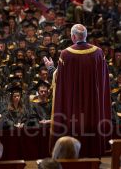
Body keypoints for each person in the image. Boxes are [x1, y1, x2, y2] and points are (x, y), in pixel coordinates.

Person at [44, 24, 111, 157]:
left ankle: (72, 155)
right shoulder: (98, 53)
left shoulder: (66, 54)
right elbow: (104, 81)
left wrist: (50, 68)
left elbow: (59, 80)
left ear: (73, 36)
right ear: (85, 36)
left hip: (73, 106)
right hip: (93, 106)